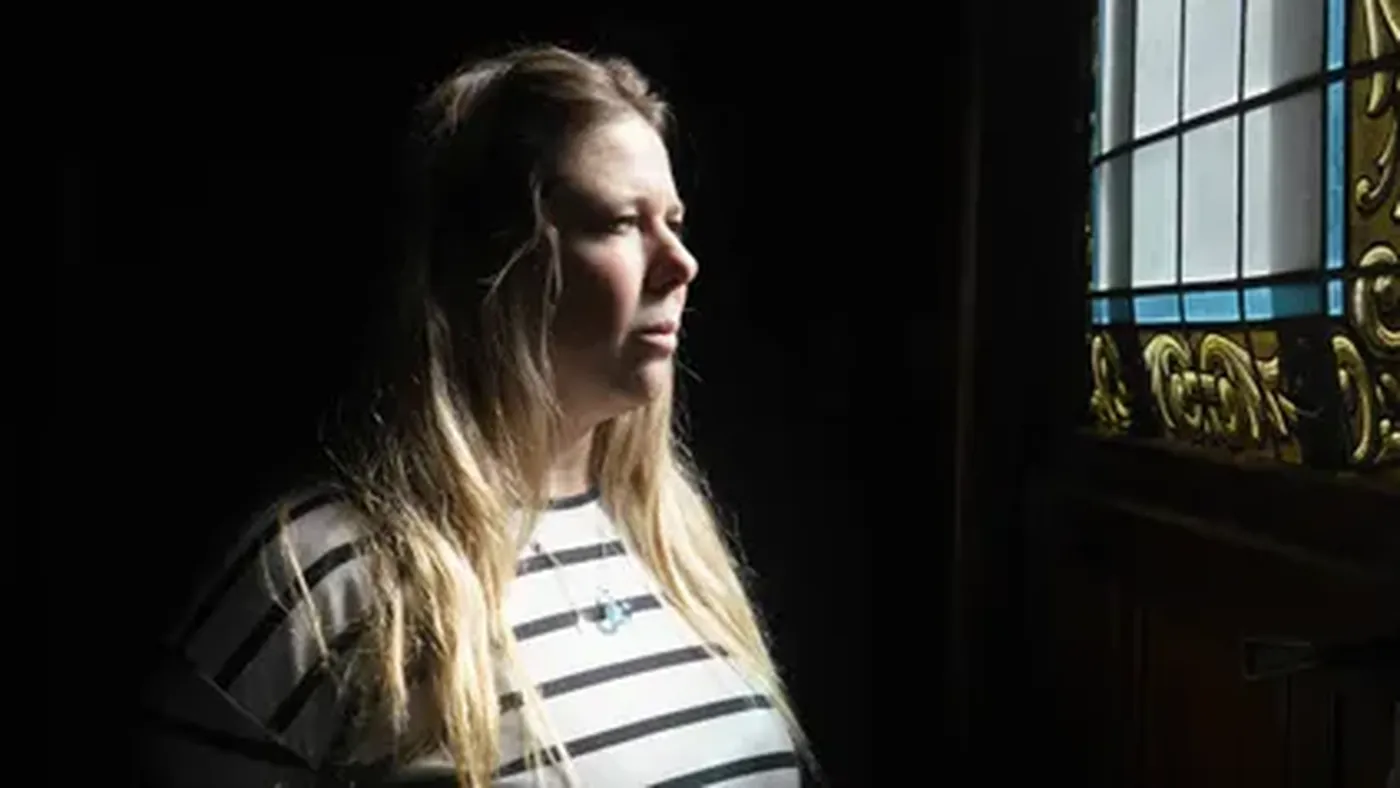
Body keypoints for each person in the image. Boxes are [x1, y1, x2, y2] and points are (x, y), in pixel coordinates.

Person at [134, 43, 814, 787]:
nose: (681, 263)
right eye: (622, 222)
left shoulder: (678, 546)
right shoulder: (320, 577)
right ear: (493, 263)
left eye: (674, 221)